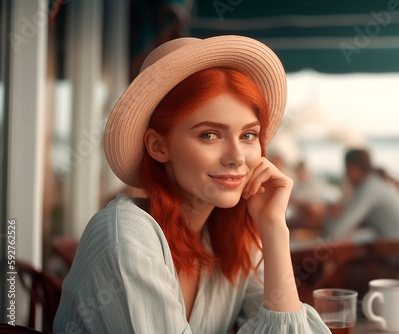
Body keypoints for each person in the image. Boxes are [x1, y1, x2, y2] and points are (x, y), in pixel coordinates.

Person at [53, 36, 329, 333]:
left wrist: (274, 228)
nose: (237, 157)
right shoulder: (124, 236)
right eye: (209, 134)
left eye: (248, 135)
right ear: (158, 146)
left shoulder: (232, 238)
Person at [323, 148, 399, 273]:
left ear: (352, 168)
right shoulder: (385, 179)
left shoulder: (369, 186)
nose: (345, 176)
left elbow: (335, 234)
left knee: (345, 273)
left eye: (346, 171)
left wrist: (330, 213)